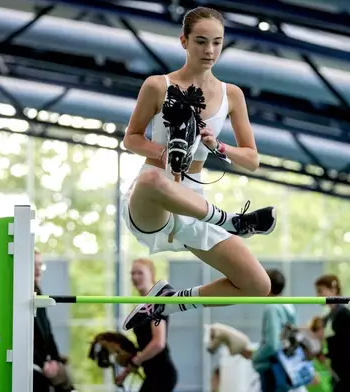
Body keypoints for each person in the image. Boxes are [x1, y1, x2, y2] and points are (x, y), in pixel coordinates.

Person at [120, 6, 276, 331]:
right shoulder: (157, 85)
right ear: (184, 41)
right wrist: (163, 153)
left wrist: (218, 147)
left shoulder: (232, 94)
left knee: (257, 285)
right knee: (150, 179)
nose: (209, 51)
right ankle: (230, 221)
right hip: (153, 199)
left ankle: (165, 303)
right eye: (201, 42)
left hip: (194, 202)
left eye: (217, 43)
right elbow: (131, 139)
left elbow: (252, 159)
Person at [116, 259, 178, 392]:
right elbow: (146, 345)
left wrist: (136, 361)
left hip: (162, 373)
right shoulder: (143, 306)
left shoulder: (155, 303)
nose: (135, 277)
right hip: (152, 372)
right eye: (132, 273)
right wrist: (126, 372)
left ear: (151, 274)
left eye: (140, 273)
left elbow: (158, 343)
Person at [315, 274, 350, 392]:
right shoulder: (328, 318)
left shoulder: (344, 313)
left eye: (320, 291)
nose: (318, 295)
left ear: (333, 290)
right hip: (337, 373)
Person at [33, 252, 74, 392]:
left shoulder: (39, 294)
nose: (38, 269)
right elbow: (28, 336)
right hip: (33, 363)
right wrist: (42, 364)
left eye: (40, 265)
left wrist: (55, 360)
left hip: (44, 361)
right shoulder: (22, 295)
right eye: (33, 265)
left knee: (66, 378)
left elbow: (48, 333)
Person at [248, 269, 294, 391]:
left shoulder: (272, 308)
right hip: (286, 366)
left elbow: (272, 344)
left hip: (272, 367)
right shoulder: (288, 306)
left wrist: (255, 356)